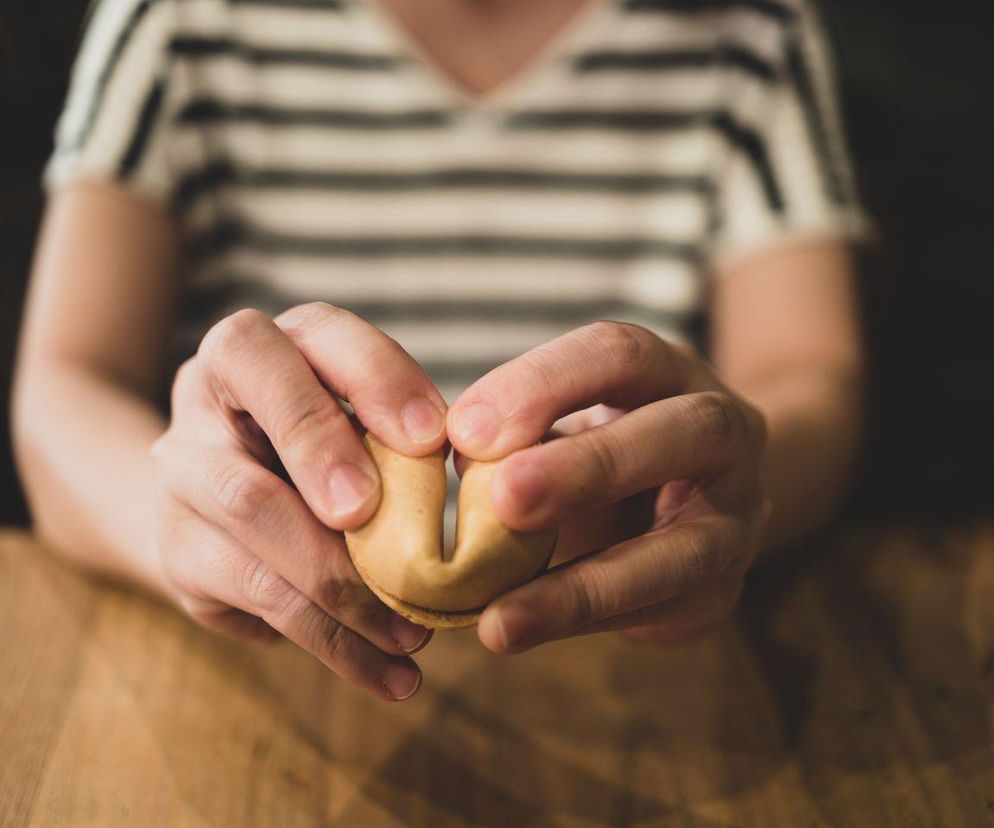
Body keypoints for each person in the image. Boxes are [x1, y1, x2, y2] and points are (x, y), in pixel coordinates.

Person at [12, 0, 867, 701]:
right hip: (248, 681)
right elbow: (61, 386)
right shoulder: (178, 20)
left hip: (651, 680)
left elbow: (809, 379)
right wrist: (173, 518)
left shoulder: (750, 33)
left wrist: (731, 483)